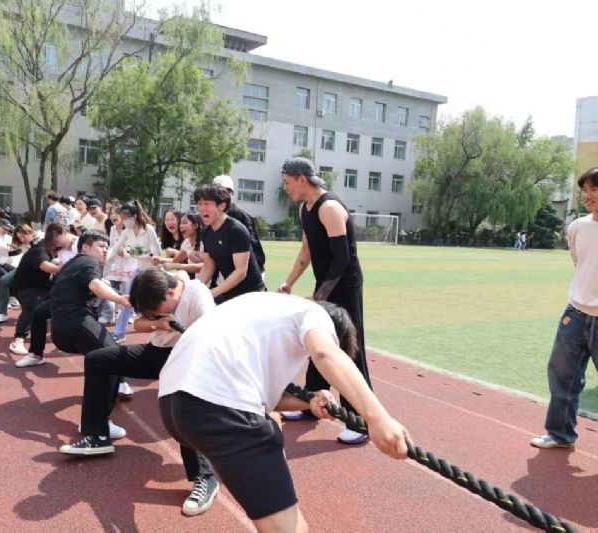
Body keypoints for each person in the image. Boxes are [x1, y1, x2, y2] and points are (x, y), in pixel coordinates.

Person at [158, 292, 410, 532]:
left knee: (292, 521)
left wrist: (309, 401)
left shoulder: (263, 308)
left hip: (172, 406)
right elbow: (325, 353)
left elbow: (265, 399)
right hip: (218, 406)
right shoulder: (314, 314)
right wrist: (378, 418)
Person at [61, 268, 221, 516]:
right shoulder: (154, 287)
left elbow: (214, 340)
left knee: (183, 404)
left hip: (190, 358)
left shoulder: (198, 295)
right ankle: (97, 435)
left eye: (157, 309)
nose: (153, 312)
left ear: (171, 293)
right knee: (96, 360)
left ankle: (205, 477)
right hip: (156, 353)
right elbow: (139, 324)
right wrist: (157, 323)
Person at [277, 157, 373, 445]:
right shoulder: (304, 209)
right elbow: (307, 250)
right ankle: (311, 402)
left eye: (287, 182)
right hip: (326, 286)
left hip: (345, 286)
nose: (285, 187)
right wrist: (290, 282)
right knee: (318, 340)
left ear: (302, 179)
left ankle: (360, 420)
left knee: (349, 349)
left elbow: (342, 259)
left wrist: (320, 297)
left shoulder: (329, 208)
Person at [531, 167, 598, 449]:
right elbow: (579, 263)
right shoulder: (577, 227)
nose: (588, 196)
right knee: (562, 375)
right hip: (575, 314)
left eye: (594, 190)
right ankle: (560, 434)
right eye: (584, 190)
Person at [48, 232, 131, 420]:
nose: (105, 251)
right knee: (112, 357)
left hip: (62, 327)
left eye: (107, 247)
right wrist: (122, 300)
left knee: (101, 357)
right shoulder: (88, 262)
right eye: (101, 246)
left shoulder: (72, 264)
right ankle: (96, 424)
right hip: (75, 322)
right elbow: (94, 285)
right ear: (85, 247)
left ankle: (118, 385)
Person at [194, 184, 265, 304]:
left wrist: (213, 292)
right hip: (228, 293)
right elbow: (208, 266)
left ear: (222, 206)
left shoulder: (236, 230)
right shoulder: (206, 232)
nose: (201, 208)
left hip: (251, 295)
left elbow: (241, 271)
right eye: (199, 204)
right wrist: (195, 288)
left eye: (206, 203)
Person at [7, 223, 67, 357]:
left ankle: (57, 333)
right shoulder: (40, 249)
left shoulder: (55, 248)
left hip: (42, 285)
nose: (67, 237)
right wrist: (64, 268)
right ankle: (18, 341)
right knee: (33, 306)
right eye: (64, 234)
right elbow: (44, 266)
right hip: (26, 287)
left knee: (63, 297)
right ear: (55, 237)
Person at [109, 201, 161, 343]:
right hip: (138, 270)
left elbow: (156, 253)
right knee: (128, 299)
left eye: (127, 217)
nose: (125, 220)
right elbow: (116, 247)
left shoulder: (148, 229)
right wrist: (106, 257)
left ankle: (159, 332)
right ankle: (119, 333)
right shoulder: (127, 231)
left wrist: (133, 252)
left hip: (153, 272)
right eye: (123, 217)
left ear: (135, 216)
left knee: (155, 304)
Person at [212, 175, 266, 278]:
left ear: (232, 194)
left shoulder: (240, 217)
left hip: (249, 275)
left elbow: (251, 249)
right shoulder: (211, 217)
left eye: (228, 191)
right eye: (220, 191)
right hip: (225, 272)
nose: (224, 194)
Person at [152, 212, 204, 278]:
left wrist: (177, 266)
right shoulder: (186, 243)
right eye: (180, 223)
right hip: (198, 280)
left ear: (195, 225)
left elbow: (203, 266)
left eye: (184, 223)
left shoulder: (204, 243)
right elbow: (175, 260)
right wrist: (159, 260)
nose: (181, 226)